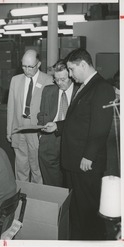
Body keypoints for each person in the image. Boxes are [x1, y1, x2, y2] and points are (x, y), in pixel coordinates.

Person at [42, 48, 115, 240]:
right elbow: (79, 121)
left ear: (83, 64)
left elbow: (100, 127)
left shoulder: (101, 87)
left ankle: (92, 241)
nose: (71, 75)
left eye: (72, 70)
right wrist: (56, 126)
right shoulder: (85, 86)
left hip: (85, 162)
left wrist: (89, 156)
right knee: (78, 207)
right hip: (75, 160)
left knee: (88, 209)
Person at [7, 49, 53, 183]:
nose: (26, 70)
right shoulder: (15, 80)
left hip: (36, 129)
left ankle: (37, 198)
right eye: (24, 66)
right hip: (18, 127)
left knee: (37, 167)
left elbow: (50, 110)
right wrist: (9, 130)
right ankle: (22, 195)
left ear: (38, 64)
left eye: (30, 67)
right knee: (21, 166)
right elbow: (11, 107)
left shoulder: (48, 80)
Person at [37, 59, 79, 187]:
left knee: (71, 182)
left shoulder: (80, 92)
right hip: (50, 140)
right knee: (52, 184)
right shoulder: (48, 91)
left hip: (72, 140)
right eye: (56, 79)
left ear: (71, 75)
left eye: (63, 79)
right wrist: (41, 135)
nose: (59, 83)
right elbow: (42, 114)